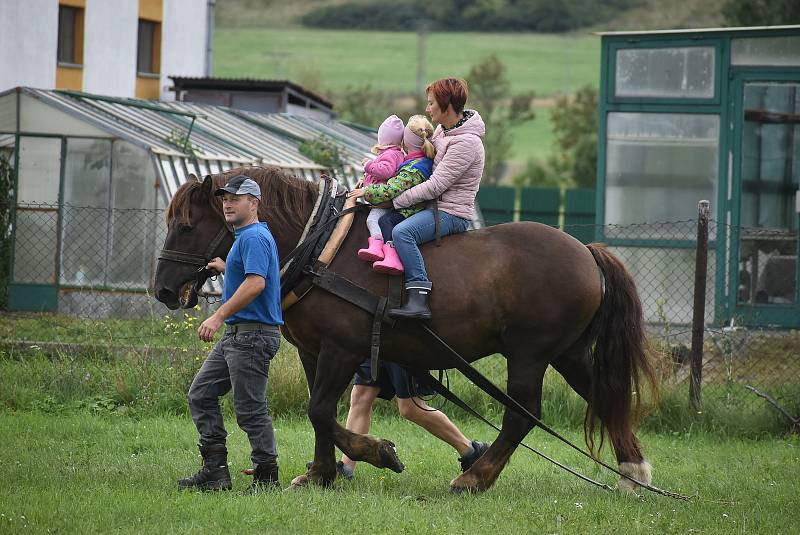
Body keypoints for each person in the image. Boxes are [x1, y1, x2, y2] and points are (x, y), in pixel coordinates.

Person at [177, 174, 284, 492]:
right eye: (224, 198)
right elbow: (254, 273)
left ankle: (267, 478)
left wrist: (217, 316)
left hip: (251, 336)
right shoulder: (249, 237)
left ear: (254, 203)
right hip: (239, 336)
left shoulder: (253, 238)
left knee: (250, 409)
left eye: (235, 198)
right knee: (201, 394)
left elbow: (257, 283)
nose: (227, 203)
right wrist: (229, 266)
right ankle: (215, 471)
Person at [388, 78, 486, 320]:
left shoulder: (467, 143)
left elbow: (435, 186)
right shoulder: (444, 131)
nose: (427, 108)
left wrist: (395, 200)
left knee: (403, 233)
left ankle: (419, 296)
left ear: (446, 105)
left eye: (431, 103)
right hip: (433, 207)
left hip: (451, 213)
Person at [337, 359, 489, 479]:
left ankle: (472, 451)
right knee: (360, 396)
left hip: (403, 334)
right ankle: (346, 468)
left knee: (410, 408)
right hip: (376, 334)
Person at [349, 114, 436, 275]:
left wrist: (366, 191)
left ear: (406, 141)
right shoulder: (412, 161)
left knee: (387, 221)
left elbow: (391, 189)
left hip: (410, 210)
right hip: (407, 206)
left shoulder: (414, 168)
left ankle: (393, 256)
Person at [356, 114, 406, 262]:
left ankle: (377, 246)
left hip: (382, 199)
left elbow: (385, 171)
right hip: (380, 197)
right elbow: (377, 177)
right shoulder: (395, 153)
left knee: (372, 220)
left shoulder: (391, 154)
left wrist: (368, 165)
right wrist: (363, 182)